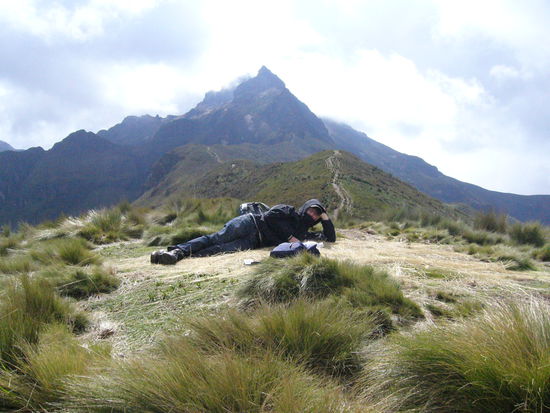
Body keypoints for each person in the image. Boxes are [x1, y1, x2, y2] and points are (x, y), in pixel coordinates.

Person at [150, 199, 336, 265]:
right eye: (311, 210)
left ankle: (174, 257)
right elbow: (270, 216)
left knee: (219, 249)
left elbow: (330, 238)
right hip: (250, 223)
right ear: (305, 208)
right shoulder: (288, 210)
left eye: (316, 214)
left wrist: (326, 217)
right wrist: (289, 237)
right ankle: (176, 251)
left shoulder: (305, 233)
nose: (312, 214)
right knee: (215, 238)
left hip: (253, 242)